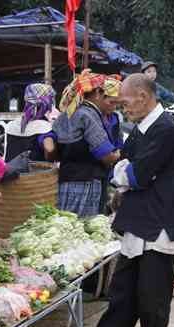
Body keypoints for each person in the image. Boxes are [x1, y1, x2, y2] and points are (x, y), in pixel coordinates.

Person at [75, 74, 174, 327]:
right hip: (138, 217)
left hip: (160, 220)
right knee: (123, 288)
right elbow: (122, 168)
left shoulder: (168, 129)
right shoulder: (141, 129)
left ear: (142, 95)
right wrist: (125, 173)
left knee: (153, 292)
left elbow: (137, 174)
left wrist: (125, 173)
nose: (122, 108)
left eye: (125, 102)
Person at [49, 70, 123, 217]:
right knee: (83, 228)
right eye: (111, 102)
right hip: (85, 183)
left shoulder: (69, 113)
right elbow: (106, 156)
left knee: (67, 224)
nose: (114, 107)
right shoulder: (89, 115)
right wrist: (120, 154)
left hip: (66, 180)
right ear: (97, 93)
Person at [5, 83, 56, 162]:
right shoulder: (43, 126)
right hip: (33, 173)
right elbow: (49, 148)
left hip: (10, 171)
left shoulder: (15, 123)